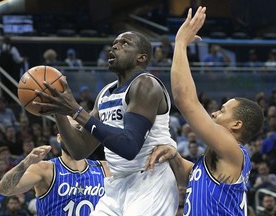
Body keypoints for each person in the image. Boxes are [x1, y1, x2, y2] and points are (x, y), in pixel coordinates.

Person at [32, 30, 179, 215]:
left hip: (150, 181)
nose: (115, 46)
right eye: (115, 43)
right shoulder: (105, 94)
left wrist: (75, 111)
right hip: (117, 184)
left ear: (141, 58)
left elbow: (129, 147)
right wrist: (59, 112)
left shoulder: (146, 85)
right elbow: (80, 150)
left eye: (125, 43)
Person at [147, 6, 264, 215]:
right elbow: (195, 175)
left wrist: (181, 43)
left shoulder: (232, 149)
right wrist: (174, 155)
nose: (214, 113)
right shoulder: (223, 158)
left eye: (222, 111)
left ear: (237, 125)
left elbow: (185, 100)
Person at [0, 117, 110, 216]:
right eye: (68, 130)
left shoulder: (104, 168)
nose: (72, 135)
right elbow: (4, 190)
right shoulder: (44, 169)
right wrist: (26, 163)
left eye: (78, 129)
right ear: (59, 137)